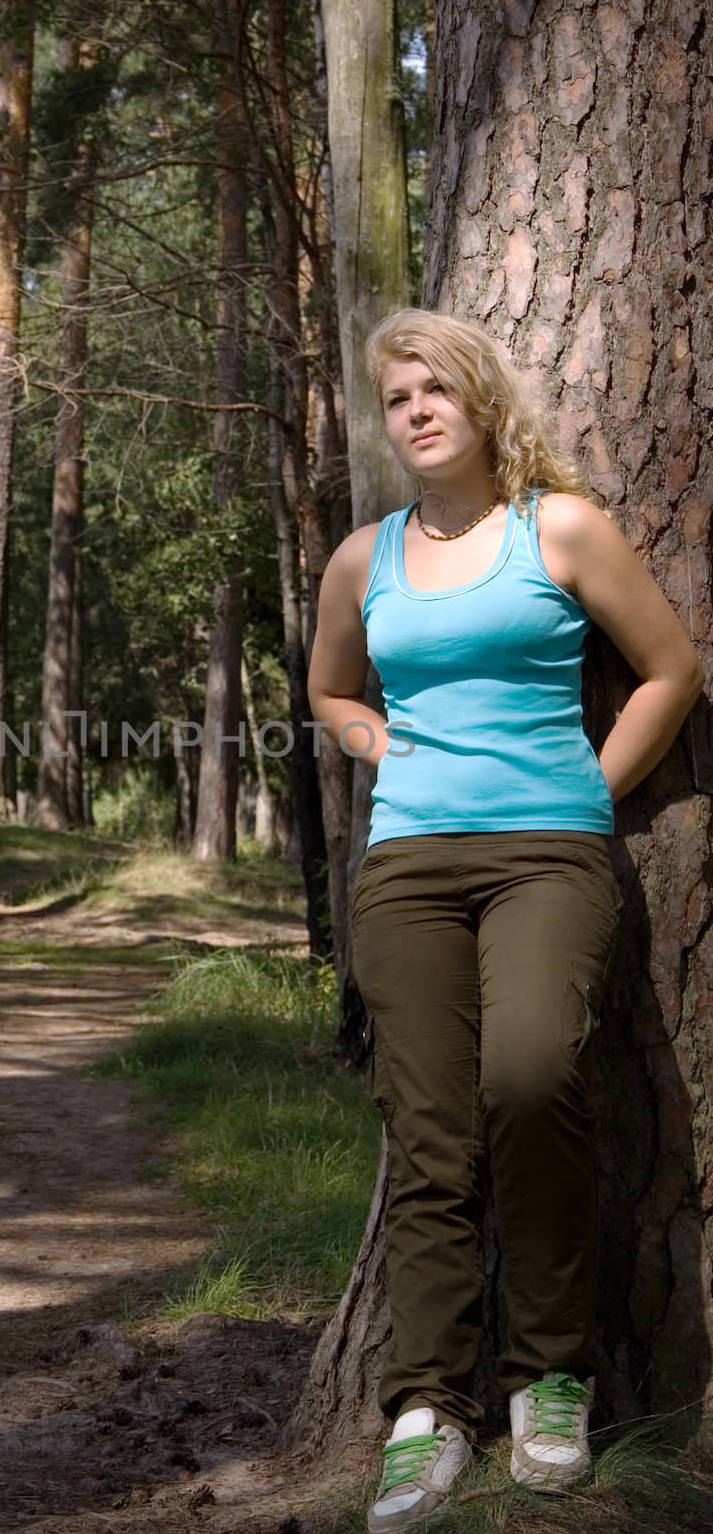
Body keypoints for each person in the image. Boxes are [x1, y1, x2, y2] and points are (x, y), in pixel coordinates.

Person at [307, 307, 704, 1534]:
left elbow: (670, 666)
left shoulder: (559, 527)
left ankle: (547, 1378)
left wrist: (593, 783)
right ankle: (425, 1410)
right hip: (407, 868)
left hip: (547, 856)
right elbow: (329, 686)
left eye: (437, 388)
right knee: (427, 1134)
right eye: (397, 397)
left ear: (480, 400)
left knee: (531, 1078)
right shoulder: (359, 557)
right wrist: (383, 743)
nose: (417, 410)